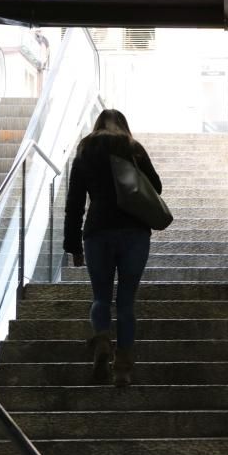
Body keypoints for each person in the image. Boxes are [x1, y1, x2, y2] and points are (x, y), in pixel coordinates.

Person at [63, 109, 162, 386]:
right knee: (127, 302)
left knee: (101, 298)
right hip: (134, 232)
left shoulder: (85, 150)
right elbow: (156, 187)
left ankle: (103, 340)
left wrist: (73, 245)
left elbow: (74, 203)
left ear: (97, 126)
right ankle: (122, 369)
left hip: (97, 232)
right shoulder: (133, 148)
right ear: (123, 125)